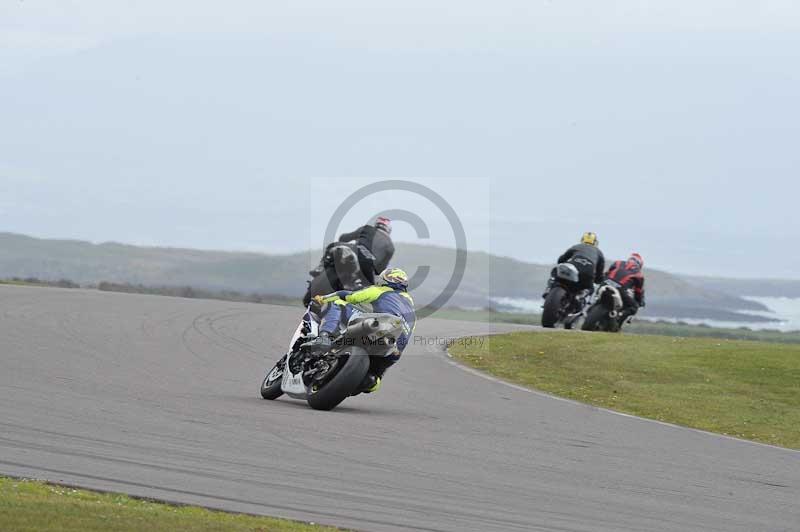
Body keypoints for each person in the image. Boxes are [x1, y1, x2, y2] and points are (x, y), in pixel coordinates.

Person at [303, 268, 415, 394]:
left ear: (384, 279)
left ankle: (325, 337)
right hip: (393, 349)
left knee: (336, 304)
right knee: (374, 378)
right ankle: (371, 380)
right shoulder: (411, 307)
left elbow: (351, 297)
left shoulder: (381, 290)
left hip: (376, 327)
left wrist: (323, 299)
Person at [310, 217, 395, 285]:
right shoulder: (391, 247)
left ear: (376, 225)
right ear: (388, 229)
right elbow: (380, 269)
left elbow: (344, 238)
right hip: (368, 265)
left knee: (333, 246)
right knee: (368, 289)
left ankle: (320, 268)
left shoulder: (367, 229)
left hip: (354, 251)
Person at [606, 253, 646, 320]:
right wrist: (639, 302)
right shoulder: (639, 274)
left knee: (596, 297)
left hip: (606, 283)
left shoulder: (617, 262)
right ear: (640, 265)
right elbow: (638, 292)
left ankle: (590, 310)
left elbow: (607, 273)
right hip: (620, 289)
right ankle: (620, 316)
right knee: (634, 307)